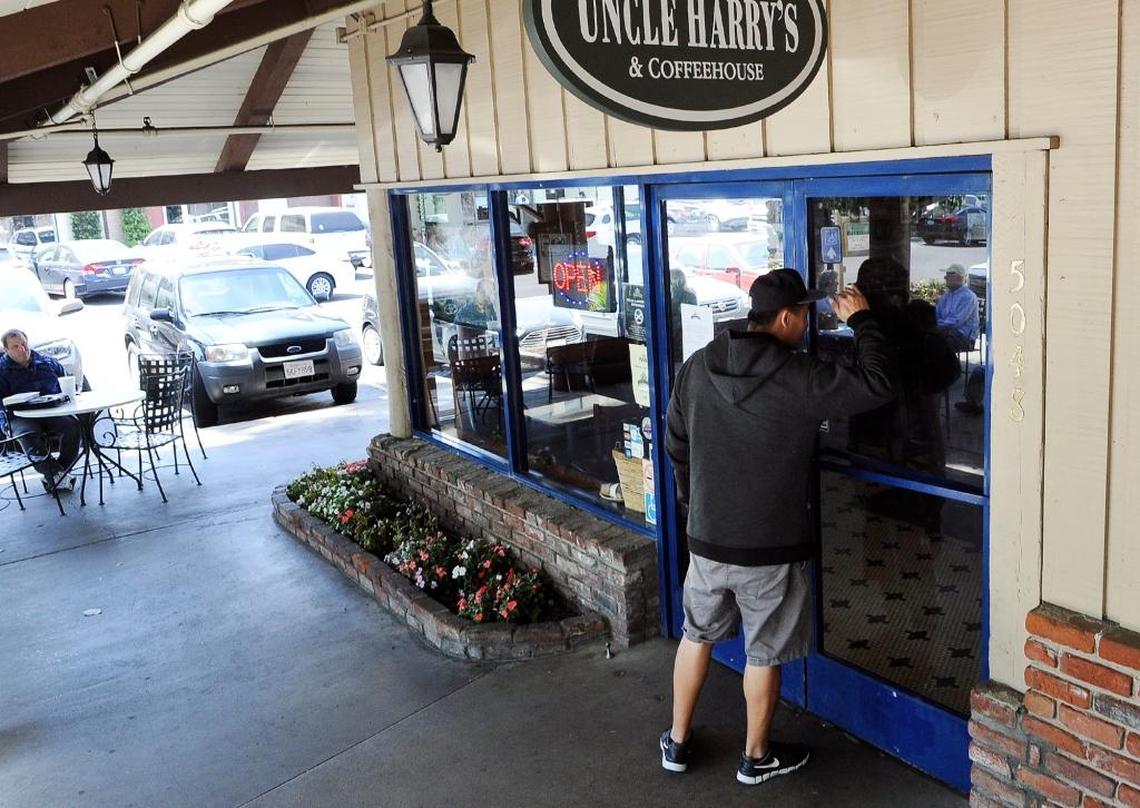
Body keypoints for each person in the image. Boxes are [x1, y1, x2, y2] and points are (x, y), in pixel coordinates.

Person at [662, 269, 895, 786]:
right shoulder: (800, 376)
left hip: (707, 539)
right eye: (805, 315)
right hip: (770, 548)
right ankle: (756, 757)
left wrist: (695, 505)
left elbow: (677, 444)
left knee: (695, 636)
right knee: (764, 653)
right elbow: (878, 383)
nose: (808, 324)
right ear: (787, 317)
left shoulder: (697, 366)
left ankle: (677, 742)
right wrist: (863, 322)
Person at [0, 328, 81, 492]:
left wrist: (67, 396)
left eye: (23, 344)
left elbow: (68, 384)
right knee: (28, 435)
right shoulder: (1, 371)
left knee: (73, 426)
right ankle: (57, 476)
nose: (22, 349)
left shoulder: (47, 362)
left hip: (50, 412)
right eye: (15, 347)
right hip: (18, 417)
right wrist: (5, 424)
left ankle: (56, 475)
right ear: (6, 350)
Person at [935, 264, 980, 352]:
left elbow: (956, 321)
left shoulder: (968, 296)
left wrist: (937, 326)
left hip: (963, 337)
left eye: (949, 275)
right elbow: (937, 313)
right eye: (946, 275)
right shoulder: (947, 295)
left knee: (937, 344)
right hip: (947, 332)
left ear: (960, 278)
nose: (945, 278)